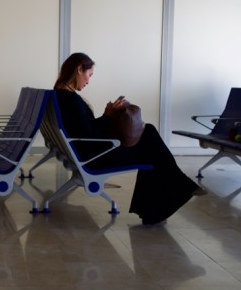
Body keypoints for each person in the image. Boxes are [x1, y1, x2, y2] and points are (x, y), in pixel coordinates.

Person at [53, 52, 203, 225]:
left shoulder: (61, 96)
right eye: (89, 75)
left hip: (87, 152)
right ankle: (166, 198)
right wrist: (108, 117)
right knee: (150, 142)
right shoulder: (70, 100)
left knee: (149, 136)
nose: (88, 81)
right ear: (80, 69)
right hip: (94, 157)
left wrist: (106, 115)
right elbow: (89, 134)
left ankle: (165, 198)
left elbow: (84, 131)